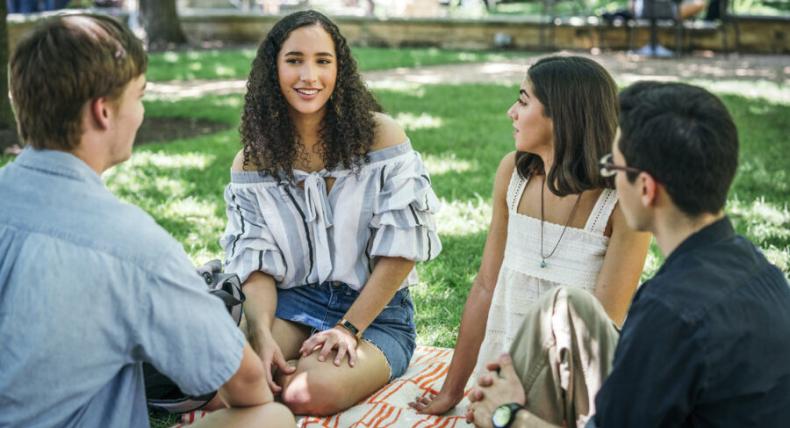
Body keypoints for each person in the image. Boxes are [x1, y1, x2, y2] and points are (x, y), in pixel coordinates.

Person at [0, 14, 294, 427]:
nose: (140, 112)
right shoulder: (133, 247)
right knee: (271, 417)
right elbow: (246, 385)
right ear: (103, 112)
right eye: (139, 96)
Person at [466, 81, 790, 428]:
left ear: (646, 189)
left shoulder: (668, 312)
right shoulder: (759, 269)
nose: (609, 179)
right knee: (566, 307)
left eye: (614, 167)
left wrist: (508, 416)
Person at [219, 10, 441, 416]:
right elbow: (257, 266)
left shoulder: (382, 139)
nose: (309, 76)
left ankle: (296, 382)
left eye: (323, 61)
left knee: (308, 392)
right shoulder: (252, 163)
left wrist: (348, 328)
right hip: (292, 302)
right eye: (294, 60)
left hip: (375, 314)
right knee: (230, 378)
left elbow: (402, 250)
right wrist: (262, 332)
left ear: (340, 70)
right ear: (274, 69)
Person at [410, 55, 651, 416]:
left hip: (579, 382)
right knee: (487, 415)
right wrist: (451, 390)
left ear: (563, 115)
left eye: (523, 101)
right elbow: (486, 286)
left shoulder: (621, 200)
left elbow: (603, 328)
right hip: (502, 366)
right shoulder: (513, 174)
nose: (511, 111)